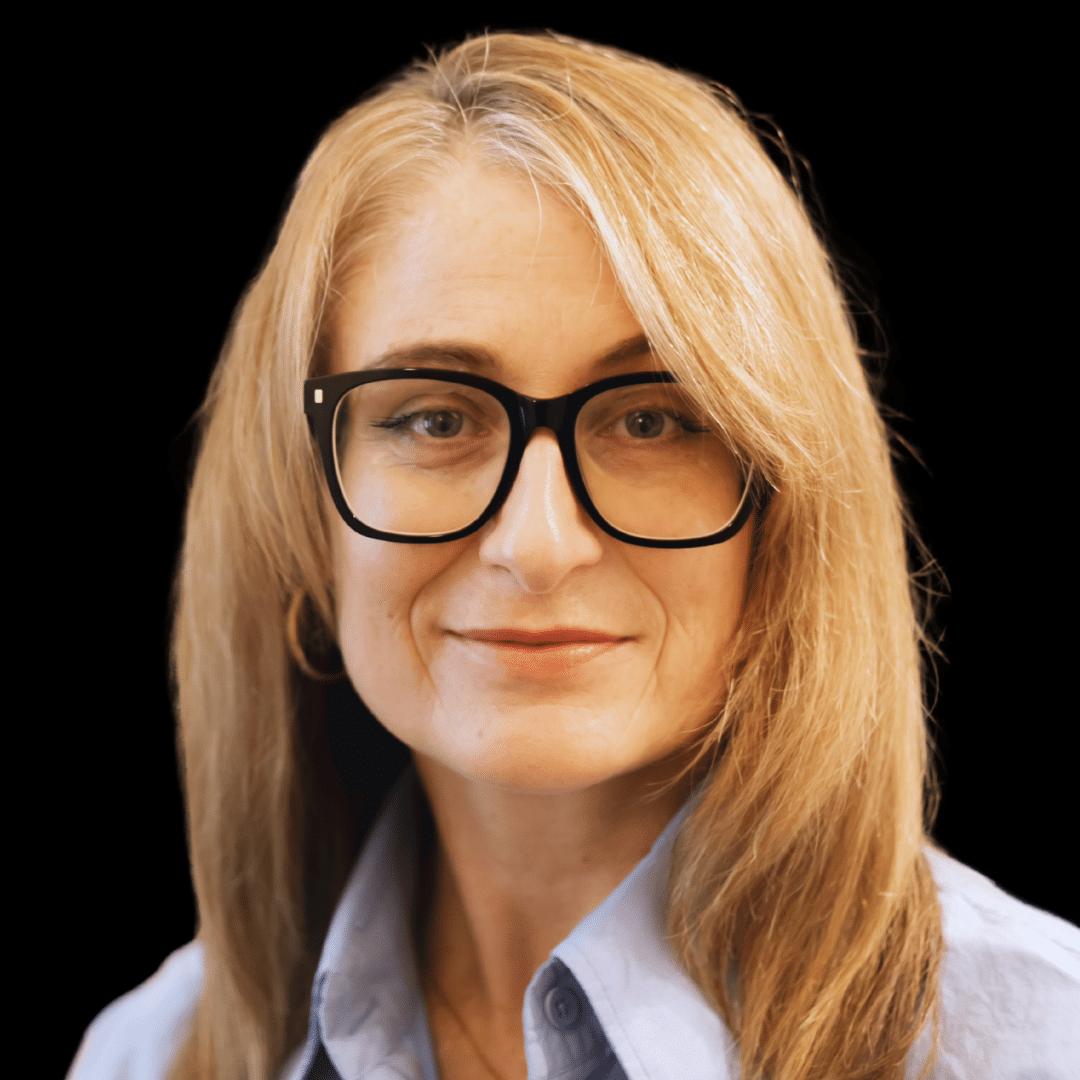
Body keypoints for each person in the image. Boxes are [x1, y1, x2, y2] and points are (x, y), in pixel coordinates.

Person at [68, 31, 1078, 1080]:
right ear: (301, 508)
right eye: (432, 419)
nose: (539, 546)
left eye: (651, 421)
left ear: (783, 506)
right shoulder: (151, 1058)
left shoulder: (1038, 1046)